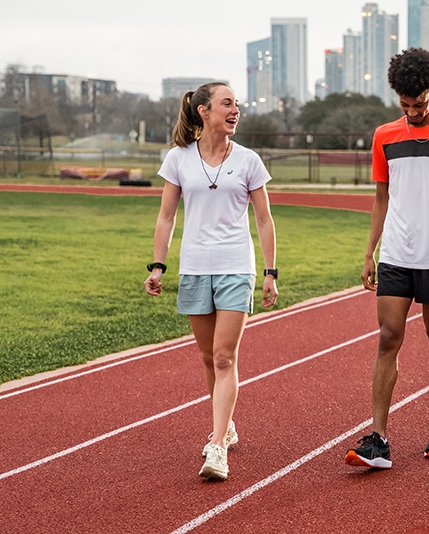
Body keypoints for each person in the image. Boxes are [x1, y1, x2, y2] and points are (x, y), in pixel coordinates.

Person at [344, 48, 429, 469]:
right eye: (405, 105)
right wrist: (370, 251)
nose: (412, 111)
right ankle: (379, 438)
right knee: (388, 337)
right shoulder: (384, 135)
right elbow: (381, 197)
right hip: (396, 255)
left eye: (419, 103)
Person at [144, 82, 278, 481]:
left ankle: (217, 445)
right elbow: (166, 216)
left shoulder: (250, 160)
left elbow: (264, 219)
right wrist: (157, 265)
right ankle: (228, 424)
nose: (235, 110)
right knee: (207, 358)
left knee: (224, 357)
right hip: (194, 268)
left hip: (237, 266)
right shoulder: (178, 159)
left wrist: (270, 271)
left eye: (237, 104)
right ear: (204, 111)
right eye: (227, 104)